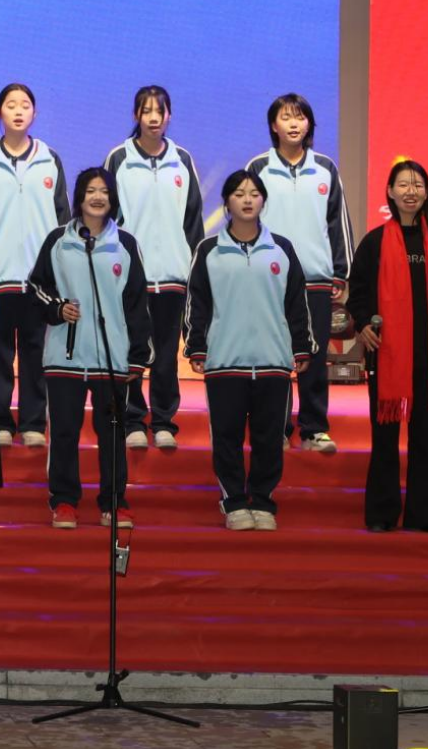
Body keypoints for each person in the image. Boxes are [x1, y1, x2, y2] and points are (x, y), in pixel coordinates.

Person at [184, 171, 315, 532]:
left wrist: (301, 346)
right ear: (226, 201)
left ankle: (263, 500)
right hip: (225, 362)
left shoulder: (281, 249)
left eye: (254, 193)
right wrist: (197, 346)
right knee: (226, 437)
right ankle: (234, 502)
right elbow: (197, 302)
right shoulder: (208, 250)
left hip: (273, 361)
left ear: (263, 201)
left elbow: (296, 303)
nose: (247, 199)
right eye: (239, 193)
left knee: (269, 438)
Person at [347, 159, 428, 534]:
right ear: (390, 192)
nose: (410, 192)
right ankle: (381, 514)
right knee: (384, 437)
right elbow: (358, 292)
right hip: (388, 354)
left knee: (423, 439)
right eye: (403, 185)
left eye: (417, 185)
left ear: (427, 192)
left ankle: (424, 516)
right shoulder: (375, 242)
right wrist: (363, 324)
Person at [27, 167, 150, 530]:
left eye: (104, 192)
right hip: (64, 357)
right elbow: (36, 287)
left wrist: (137, 356)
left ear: (113, 198)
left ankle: (114, 502)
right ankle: (64, 501)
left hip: (111, 359)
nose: (97, 197)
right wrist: (57, 308)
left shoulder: (125, 244)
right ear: (79, 197)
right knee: (64, 432)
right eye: (91, 191)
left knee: (112, 431)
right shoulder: (58, 241)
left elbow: (136, 303)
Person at [247, 93, 353, 454]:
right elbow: (245, 217)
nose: (294, 124)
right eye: (286, 117)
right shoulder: (258, 168)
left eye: (300, 117)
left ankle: (314, 429)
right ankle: (274, 428)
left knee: (315, 357)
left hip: (315, 277)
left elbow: (338, 222)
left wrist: (340, 270)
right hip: (269, 278)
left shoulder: (325, 168)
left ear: (309, 124)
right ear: (273, 125)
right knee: (273, 358)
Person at [106, 85, 205, 452]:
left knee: (165, 355)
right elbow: (106, 215)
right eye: (146, 111)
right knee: (132, 351)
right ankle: (133, 420)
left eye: (159, 111)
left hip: (174, 275)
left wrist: (195, 270)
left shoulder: (182, 160)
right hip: (131, 276)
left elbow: (193, 220)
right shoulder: (119, 158)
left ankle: (163, 421)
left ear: (168, 116)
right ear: (136, 115)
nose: (152, 117)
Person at [0, 83, 67, 449]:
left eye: (25, 105)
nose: (18, 111)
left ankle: (33, 422)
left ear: (34, 113)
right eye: (11, 105)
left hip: (39, 281)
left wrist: (61, 273)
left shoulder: (49, 159)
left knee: (35, 353)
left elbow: (62, 219)